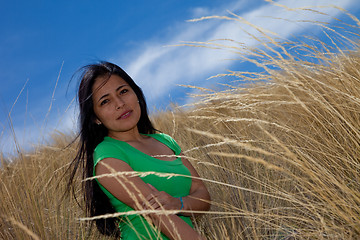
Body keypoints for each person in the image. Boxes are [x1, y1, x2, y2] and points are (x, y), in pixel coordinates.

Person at [66, 61, 211, 239]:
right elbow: (156, 214)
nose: (120, 104)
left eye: (123, 91)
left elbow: (202, 194)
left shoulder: (165, 141)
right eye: (105, 101)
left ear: (136, 94)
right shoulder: (107, 154)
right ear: (96, 118)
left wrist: (179, 203)